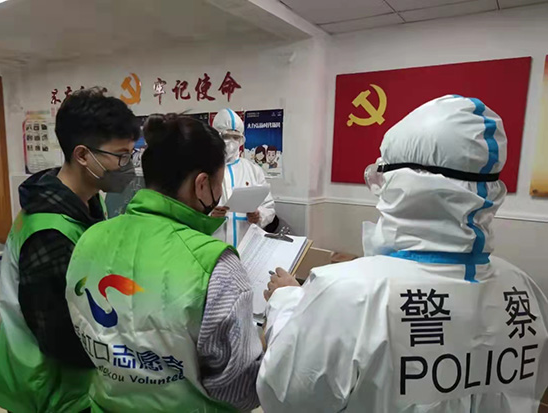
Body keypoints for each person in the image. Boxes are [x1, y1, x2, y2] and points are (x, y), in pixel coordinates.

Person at [258, 95, 548, 412]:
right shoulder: (525, 289)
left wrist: (285, 302)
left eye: (381, 173)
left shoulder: (347, 293)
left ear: (406, 183)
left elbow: (288, 397)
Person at [65, 114, 263, 412]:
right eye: (218, 184)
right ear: (201, 184)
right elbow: (239, 390)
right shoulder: (215, 265)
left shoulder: (89, 238)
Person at [0, 87, 138, 413]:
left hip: (77, 386)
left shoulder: (88, 203)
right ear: (83, 155)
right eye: (120, 156)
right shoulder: (47, 232)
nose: (127, 165)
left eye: (131, 154)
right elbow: (59, 338)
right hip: (49, 390)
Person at [211, 109, 275, 247]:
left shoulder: (253, 170)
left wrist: (259, 215)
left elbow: (269, 207)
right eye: (226, 136)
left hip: (246, 245)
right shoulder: (203, 170)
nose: (231, 142)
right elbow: (188, 212)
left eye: (235, 137)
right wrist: (209, 216)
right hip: (214, 246)